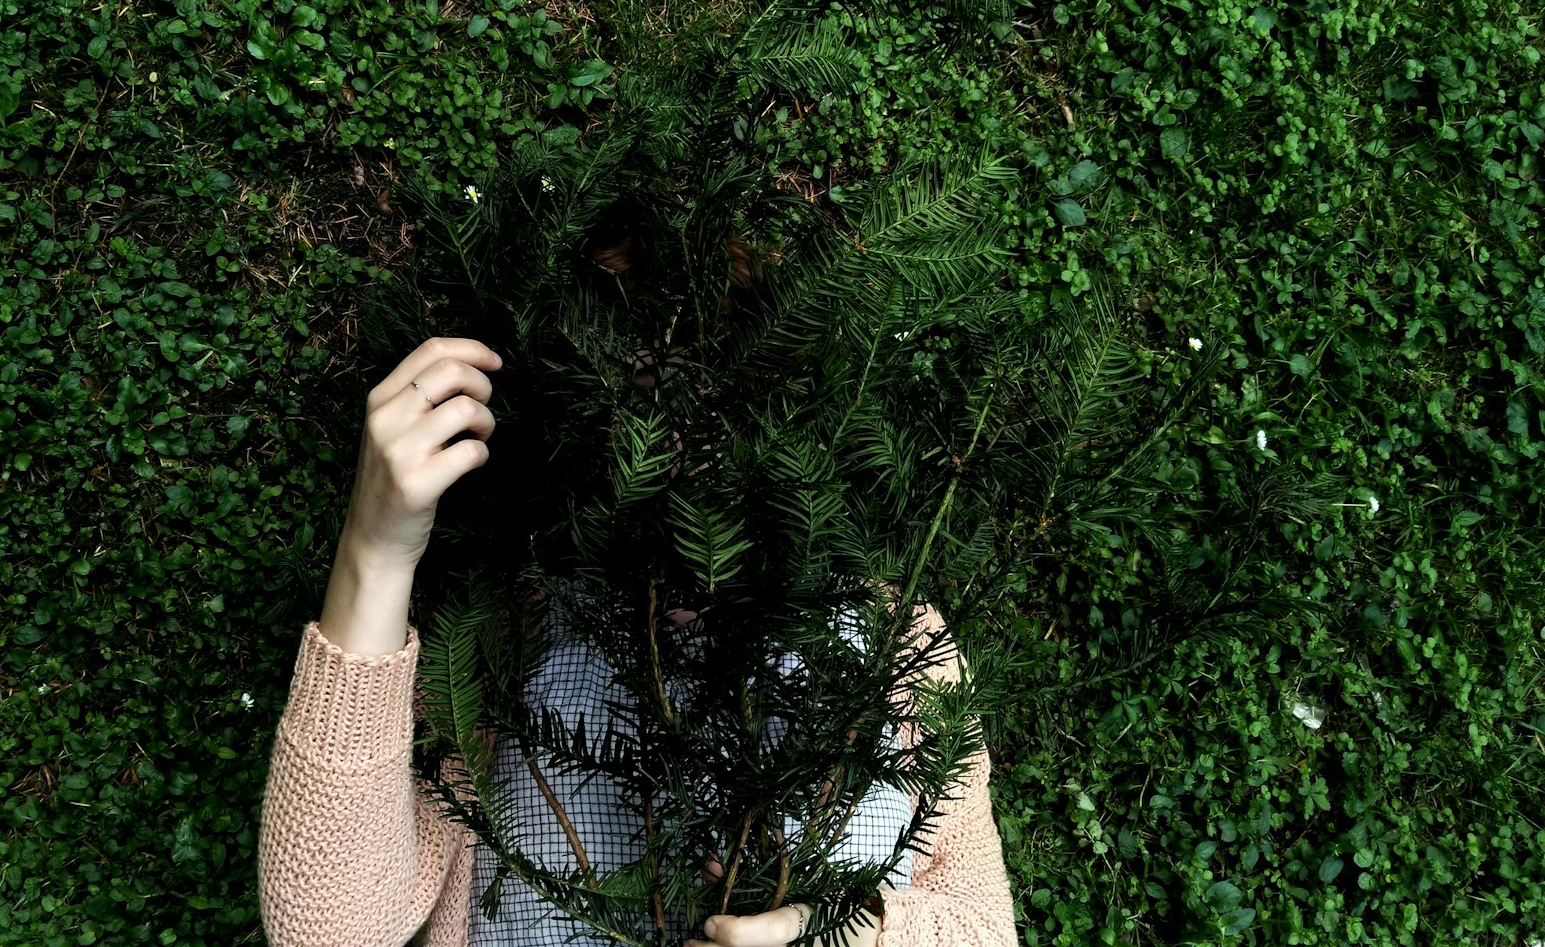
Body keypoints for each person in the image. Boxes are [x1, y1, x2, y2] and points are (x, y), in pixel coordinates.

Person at [256, 337, 1018, 947]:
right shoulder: (498, 640)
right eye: (637, 403)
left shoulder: (895, 639)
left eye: (707, 404)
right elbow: (328, 931)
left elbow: (982, 926)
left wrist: (835, 930)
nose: (672, 452)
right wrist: (376, 552)